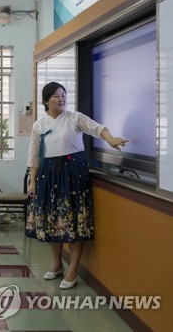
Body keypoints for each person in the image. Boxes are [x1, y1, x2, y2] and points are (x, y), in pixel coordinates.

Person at [26, 82, 128, 289]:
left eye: (63, 95)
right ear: (46, 100)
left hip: (73, 175)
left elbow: (97, 128)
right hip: (49, 175)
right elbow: (34, 155)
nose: (61, 99)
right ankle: (57, 265)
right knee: (52, 221)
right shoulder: (39, 125)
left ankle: (73, 270)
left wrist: (111, 139)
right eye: (56, 96)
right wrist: (32, 180)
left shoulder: (75, 117)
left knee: (74, 221)